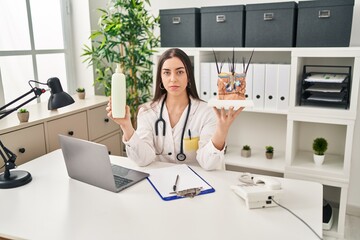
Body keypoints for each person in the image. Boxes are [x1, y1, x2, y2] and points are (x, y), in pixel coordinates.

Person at [106, 48, 243, 170]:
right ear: (160, 78)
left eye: (180, 72)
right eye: (166, 73)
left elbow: (208, 163)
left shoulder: (207, 112)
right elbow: (143, 160)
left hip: (197, 186)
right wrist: (126, 126)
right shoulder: (147, 111)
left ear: (188, 76)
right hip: (161, 183)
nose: (173, 79)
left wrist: (222, 131)